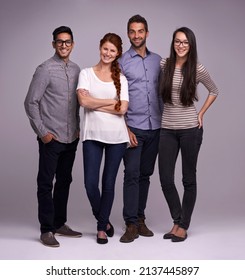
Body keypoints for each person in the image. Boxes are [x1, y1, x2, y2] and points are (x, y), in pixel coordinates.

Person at [158, 27, 219, 242]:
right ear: (173, 43)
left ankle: (183, 225)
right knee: (165, 178)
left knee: (188, 179)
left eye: (185, 42)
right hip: (166, 129)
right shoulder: (164, 65)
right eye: (177, 41)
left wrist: (201, 113)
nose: (181, 45)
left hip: (190, 130)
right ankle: (177, 219)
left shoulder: (197, 69)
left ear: (190, 45)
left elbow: (214, 90)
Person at [24, 26, 82, 247]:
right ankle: (46, 229)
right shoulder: (45, 69)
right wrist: (43, 133)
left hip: (71, 138)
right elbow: (30, 102)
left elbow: (76, 103)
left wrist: (77, 128)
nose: (64, 45)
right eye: (60, 42)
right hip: (52, 139)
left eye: (67, 42)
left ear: (73, 44)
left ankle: (59, 223)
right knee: (46, 183)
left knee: (65, 181)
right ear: (54, 44)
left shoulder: (77, 70)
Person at [76, 33, 129, 244]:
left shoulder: (122, 79)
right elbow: (83, 102)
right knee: (90, 184)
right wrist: (110, 102)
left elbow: (123, 109)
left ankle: (100, 228)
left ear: (117, 54)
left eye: (112, 51)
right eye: (106, 49)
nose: (108, 53)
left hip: (117, 137)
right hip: (92, 136)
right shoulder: (86, 73)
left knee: (108, 184)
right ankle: (105, 220)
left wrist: (94, 101)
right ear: (100, 48)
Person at [118, 15, 162, 243]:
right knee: (132, 176)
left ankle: (141, 219)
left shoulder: (158, 61)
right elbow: (117, 98)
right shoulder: (122, 62)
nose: (137, 35)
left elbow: (163, 94)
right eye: (133, 31)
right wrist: (124, 128)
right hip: (133, 127)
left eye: (141, 31)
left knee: (145, 175)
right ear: (128, 34)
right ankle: (130, 224)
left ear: (147, 33)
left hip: (155, 127)